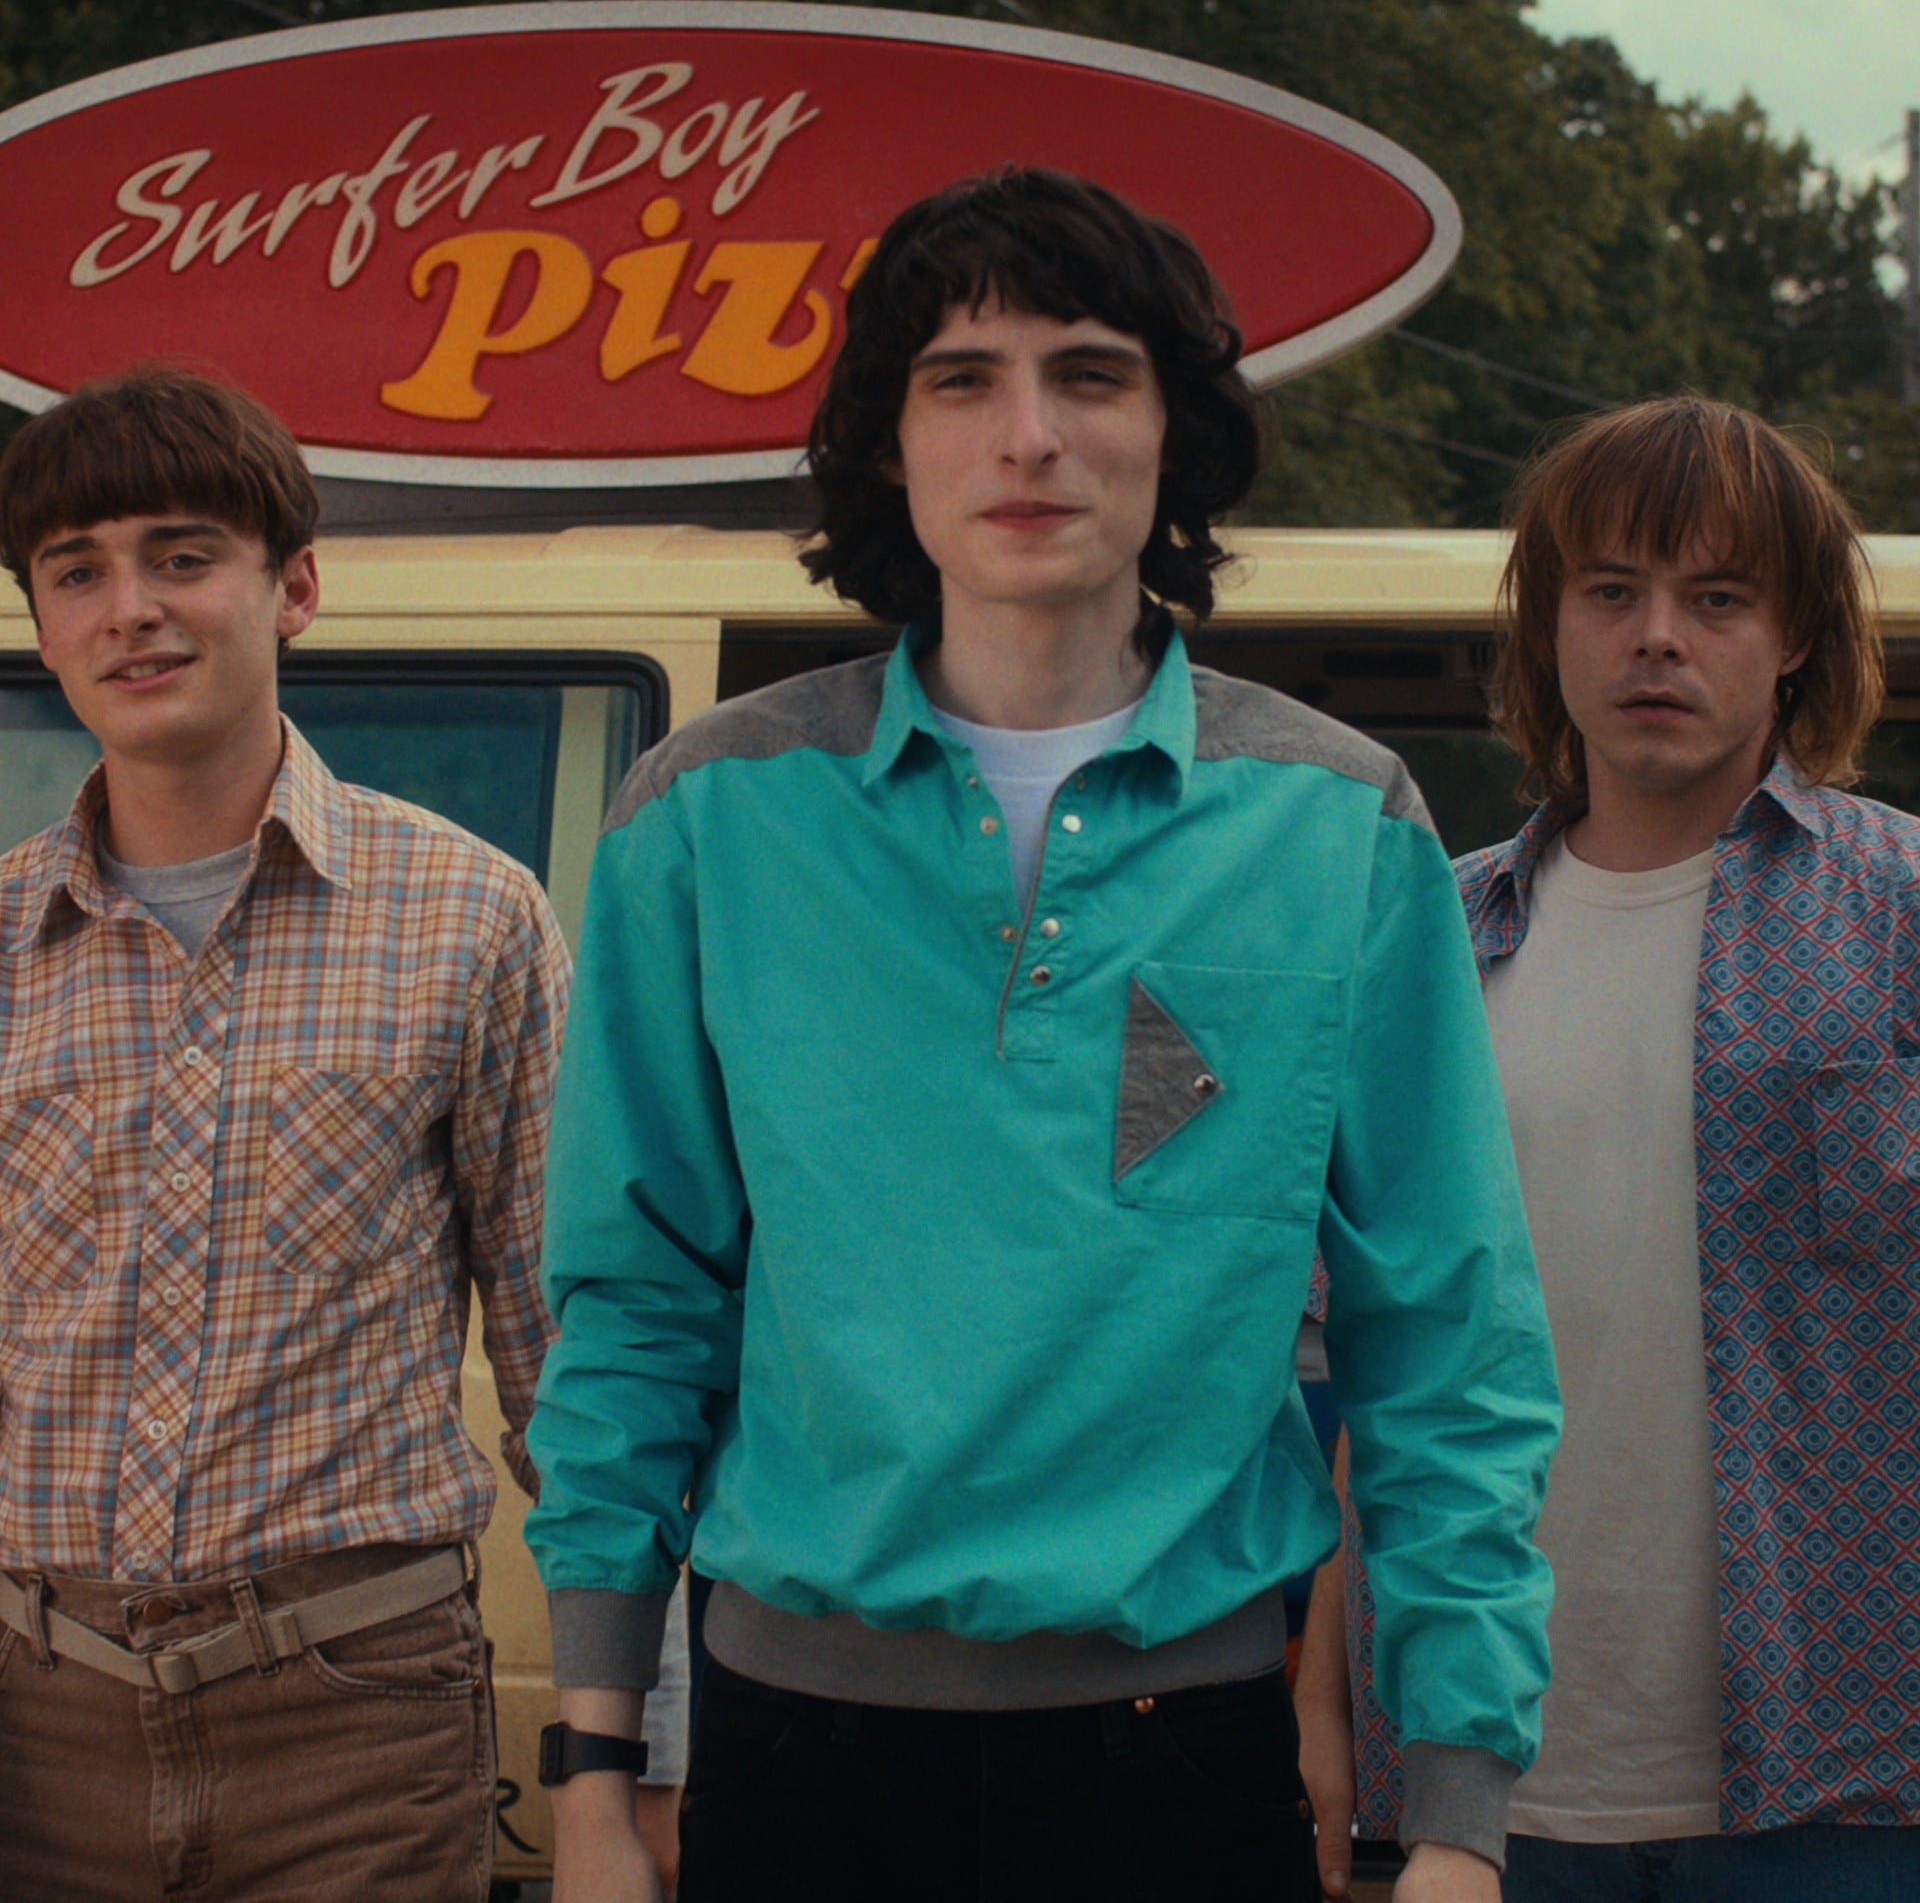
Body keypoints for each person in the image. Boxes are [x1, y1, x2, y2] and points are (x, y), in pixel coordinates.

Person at [525, 166, 1560, 1903]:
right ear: (889, 443)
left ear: (1173, 435)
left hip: (1185, 1757)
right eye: (963, 380)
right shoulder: (707, 818)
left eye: (1089, 375)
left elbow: (1448, 1338)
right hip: (796, 1754)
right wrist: (594, 1776)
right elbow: (636, 1307)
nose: (1029, 436)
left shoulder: (1341, 825)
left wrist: (1458, 1816)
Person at [0, 366, 683, 1900]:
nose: (132, 610)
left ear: (294, 587)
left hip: (356, 1723)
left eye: (183, 557)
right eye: (78, 572)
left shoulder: (470, 916)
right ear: (42, 624)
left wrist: (624, 1761)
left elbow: (578, 1381)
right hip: (33, 1728)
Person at [1297, 396, 1920, 1902]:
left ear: (1795, 636)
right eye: (1614, 591)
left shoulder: (1904, 920)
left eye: (1719, 599)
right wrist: (1313, 1696)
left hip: (1853, 1777)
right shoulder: (1423, 946)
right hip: (1479, 1773)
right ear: (1549, 623)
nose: (1658, 639)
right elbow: (1366, 1359)